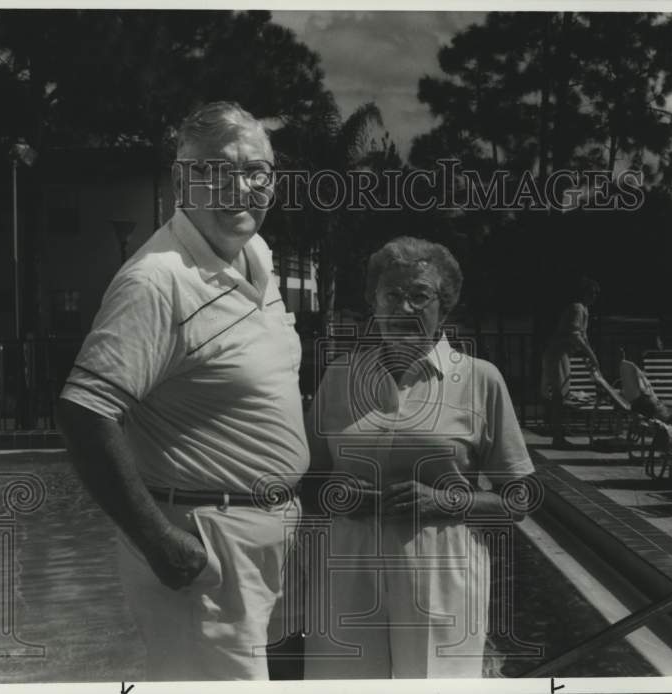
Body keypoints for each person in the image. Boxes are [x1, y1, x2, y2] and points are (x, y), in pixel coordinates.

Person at [56, 101, 308, 681]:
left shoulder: (256, 257)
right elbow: (84, 414)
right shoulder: (157, 281)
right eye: (218, 170)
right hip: (205, 549)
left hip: (263, 541)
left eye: (257, 172)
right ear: (181, 180)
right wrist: (158, 541)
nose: (241, 187)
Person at [301, 237, 537, 678]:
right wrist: (335, 493)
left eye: (420, 295)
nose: (404, 308)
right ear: (373, 302)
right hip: (347, 564)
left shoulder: (479, 380)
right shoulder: (340, 376)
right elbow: (309, 483)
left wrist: (445, 501)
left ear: (444, 308)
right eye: (392, 294)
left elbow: (519, 501)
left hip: (442, 566)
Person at [540, 276, 628, 448]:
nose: (595, 297)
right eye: (593, 293)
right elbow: (575, 335)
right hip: (557, 354)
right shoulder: (577, 308)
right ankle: (557, 438)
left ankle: (559, 436)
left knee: (562, 395)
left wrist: (591, 356)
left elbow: (583, 337)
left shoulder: (583, 309)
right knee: (559, 397)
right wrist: (592, 355)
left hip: (562, 354)